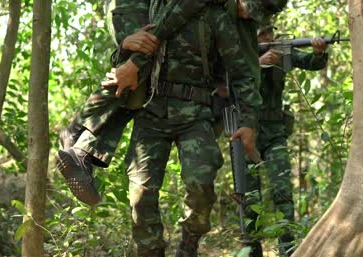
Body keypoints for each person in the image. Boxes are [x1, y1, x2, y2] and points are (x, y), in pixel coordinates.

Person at [57, 0, 288, 206]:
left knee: (139, 71)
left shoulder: (227, 17)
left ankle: (81, 144)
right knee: (133, 73)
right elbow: (176, 13)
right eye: (246, 7)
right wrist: (135, 62)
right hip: (130, 7)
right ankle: (78, 134)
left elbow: (243, 66)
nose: (245, 14)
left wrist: (247, 118)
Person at [243, 25, 329, 257]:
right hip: (245, 131)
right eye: (262, 34)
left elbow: (311, 62)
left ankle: (288, 253)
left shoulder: (283, 50)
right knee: (250, 199)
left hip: (274, 132)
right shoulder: (239, 49)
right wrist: (257, 64)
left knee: (283, 192)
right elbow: (223, 80)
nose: (268, 38)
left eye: (270, 33)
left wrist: (319, 52)